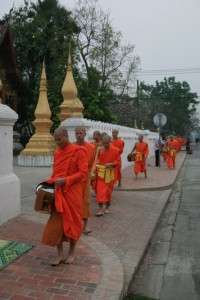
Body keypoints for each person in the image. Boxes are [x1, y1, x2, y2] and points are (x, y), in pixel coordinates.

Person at [41, 127, 88, 266]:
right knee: (55, 224)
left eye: (59, 139)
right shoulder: (57, 153)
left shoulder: (79, 151)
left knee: (73, 223)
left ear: (66, 136)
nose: (57, 142)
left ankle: (71, 253)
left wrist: (66, 180)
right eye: (55, 140)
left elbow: (83, 173)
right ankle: (60, 254)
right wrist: (48, 186)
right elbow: (56, 173)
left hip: (73, 193)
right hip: (59, 193)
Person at [74, 127, 95, 234]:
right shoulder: (71, 147)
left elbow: (91, 164)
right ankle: (75, 224)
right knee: (74, 201)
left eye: (80, 133)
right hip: (73, 179)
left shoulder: (91, 147)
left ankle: (85, 225)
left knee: (85, 201)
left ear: (85, 134)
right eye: (76, 133)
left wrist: (89, 175)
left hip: (85, 178)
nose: (78, 135)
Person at [95, 135, 120, 216]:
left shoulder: (115, 150)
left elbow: (118, 162)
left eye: (107, 143)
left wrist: (111, 164)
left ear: (110, 142)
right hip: (101, 173)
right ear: (102, 142)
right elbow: (96, 161)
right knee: (100, 192)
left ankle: (107, 207)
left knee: (108, 192)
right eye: (104, 143)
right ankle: (100, 209)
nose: (105, 145)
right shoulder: (99, 150)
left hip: (110, 174)